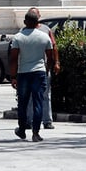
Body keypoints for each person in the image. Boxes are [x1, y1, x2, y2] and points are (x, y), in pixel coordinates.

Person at [9, 9, 55, 141]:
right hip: (39, 73)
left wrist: (13, 77)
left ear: (24, 22)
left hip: (23, 73)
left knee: (23, 104)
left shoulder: (18, 37)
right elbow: (50, 57)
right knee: (38, 102)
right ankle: (36, 133)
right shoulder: (44, 37)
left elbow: (13, 59)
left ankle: (22, 130)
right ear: (37, 23)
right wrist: (46, 70)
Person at [31, 10, 61, 129]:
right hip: (28, 69)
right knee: (29, 96)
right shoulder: (23, 32)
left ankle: (47, 121)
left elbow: (53, 46)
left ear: (39, 16)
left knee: (45, 94)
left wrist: (56, 62)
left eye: (35, 14)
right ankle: (28, 120)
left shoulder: (46, 29)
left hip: (43, 67)